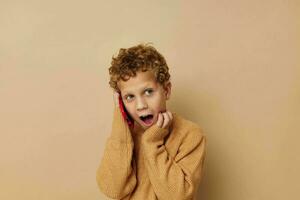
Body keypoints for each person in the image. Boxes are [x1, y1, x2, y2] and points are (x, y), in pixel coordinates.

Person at [96, 43, 207, 200]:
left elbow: (177, 196)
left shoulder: (190, 134)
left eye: (148, 92)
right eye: (129, 97)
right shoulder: (124, 135)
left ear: (166, 90)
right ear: (120, 100)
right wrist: (119, 122)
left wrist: (152, 143)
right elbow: (113, 190)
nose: (141, 106)